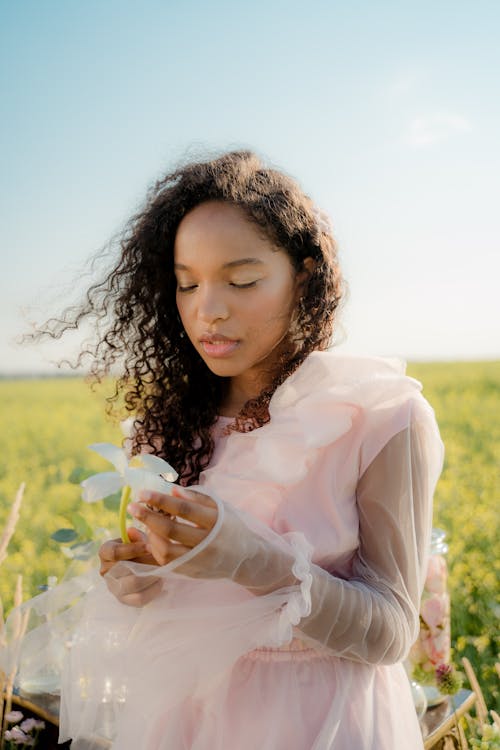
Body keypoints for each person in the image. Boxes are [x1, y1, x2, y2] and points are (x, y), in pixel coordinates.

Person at [8, 150, 444, 749]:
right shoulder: (165, 429)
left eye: (241, 280)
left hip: (324, 724)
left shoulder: (378, 417)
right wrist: (135, 583)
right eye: (187, 283)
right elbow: (173, 605)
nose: (207, 309)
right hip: (184, 723)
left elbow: (392, 632)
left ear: (306, 276)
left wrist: (256, 562)